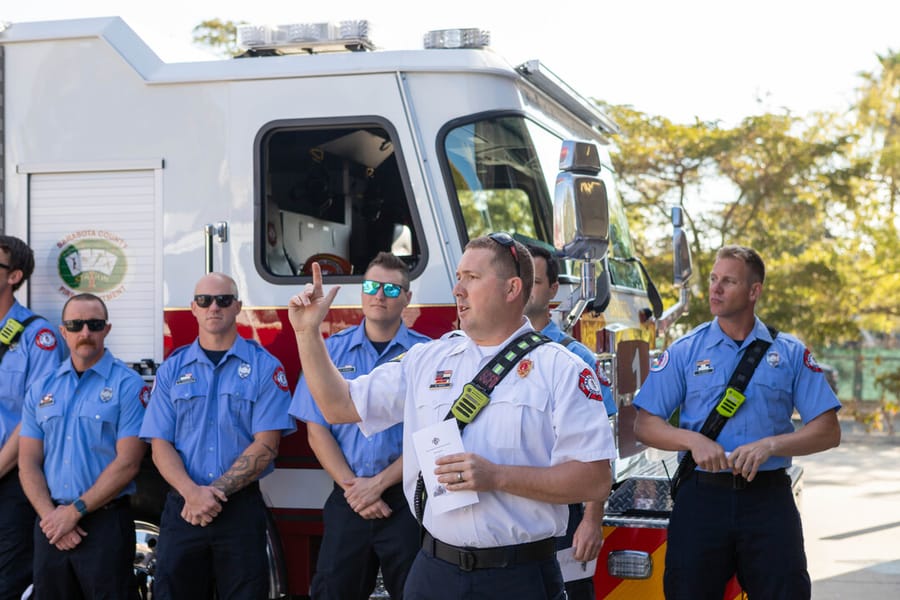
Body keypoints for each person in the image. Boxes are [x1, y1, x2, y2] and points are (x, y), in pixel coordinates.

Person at [289, 233, 616, 600]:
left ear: (512, 288)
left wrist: (498, 476)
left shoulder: (562, 369)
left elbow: (594, 479)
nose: (458, 289)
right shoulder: (427, 359)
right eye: (458, 277)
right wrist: (306, 332)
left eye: (471, 278)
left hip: (519, 579)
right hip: (433, 573)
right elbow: (339, 406)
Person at [633, 245, 841, 600]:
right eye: (714, 279)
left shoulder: (790, 353)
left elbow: (828, 430)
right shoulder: (686, 350)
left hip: (768, 500)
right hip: (702, 498)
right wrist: (692, 441)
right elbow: (644, 423)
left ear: (754, 291)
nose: (715, 288)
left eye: (728, 281)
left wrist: (771, 445)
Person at [140, 273, 295, 600]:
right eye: (205, 301)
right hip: (182, 507)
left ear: (237, 307)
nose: (214, 307)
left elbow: (267, 445)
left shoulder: (265, 368)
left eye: (224, 300)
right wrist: (191, 494)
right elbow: (159, 443)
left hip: (238, 510)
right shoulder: (172, 369)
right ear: (193, 308)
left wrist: (212, 494)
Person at [291, 252, 430, 599]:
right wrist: (355, 489)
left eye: (391, 289)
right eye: (371, 286)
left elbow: (430, 436)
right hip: (347, 497)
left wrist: (379, 484)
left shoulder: (428, 356)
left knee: (416, 593)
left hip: (406, 501)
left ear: (407, 299)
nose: (379, 295)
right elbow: (316, 429)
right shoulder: (330, 352)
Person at [18, 293, 148, 599]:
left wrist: (73, 513)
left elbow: (128, 462)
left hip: (103, 525)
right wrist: (52, 518)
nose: (85, 332)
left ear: (107, 329)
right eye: (76, 325)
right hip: (50, 525)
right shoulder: (41, 387)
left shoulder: (128, 385)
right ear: (63, 331)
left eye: (94, 324)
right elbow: (28, 462)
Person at [524, 243, 616, 600]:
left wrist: (592, 520)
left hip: (562, 515)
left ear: (553, 290)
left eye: (534, 280)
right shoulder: (483, 353)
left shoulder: (575, 357)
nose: (523, 286)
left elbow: (599, 446)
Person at [0, 235, 63, 600]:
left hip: (10, 479)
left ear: (14, 276)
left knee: (9, 582)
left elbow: (34, 416)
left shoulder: (36, 336)